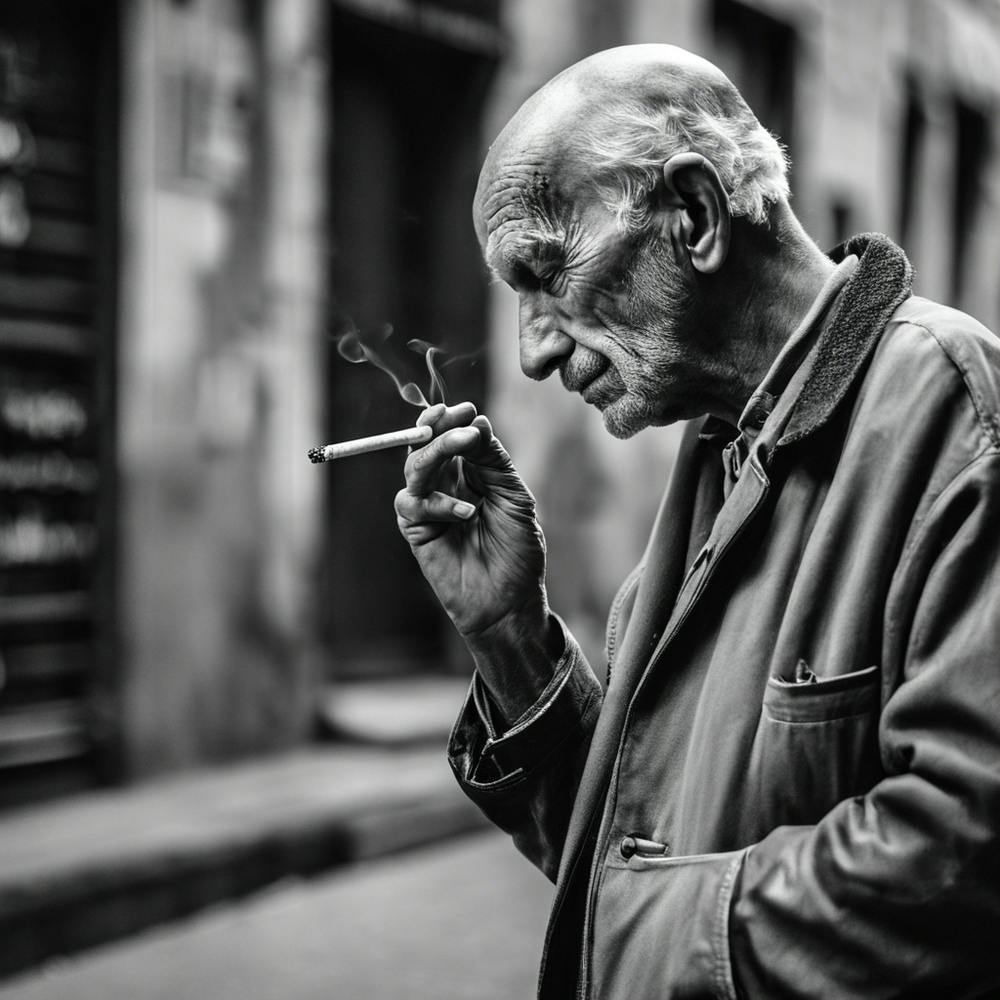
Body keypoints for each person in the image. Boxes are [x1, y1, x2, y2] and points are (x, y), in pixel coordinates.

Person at [394, 44, 1000, 999]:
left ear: (695, 214)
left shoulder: (952, 414)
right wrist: (509, 632)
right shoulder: (725, 449)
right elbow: (637, 838)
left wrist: (641, 934)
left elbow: (963, 856)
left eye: (546, 272)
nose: (533, 352)